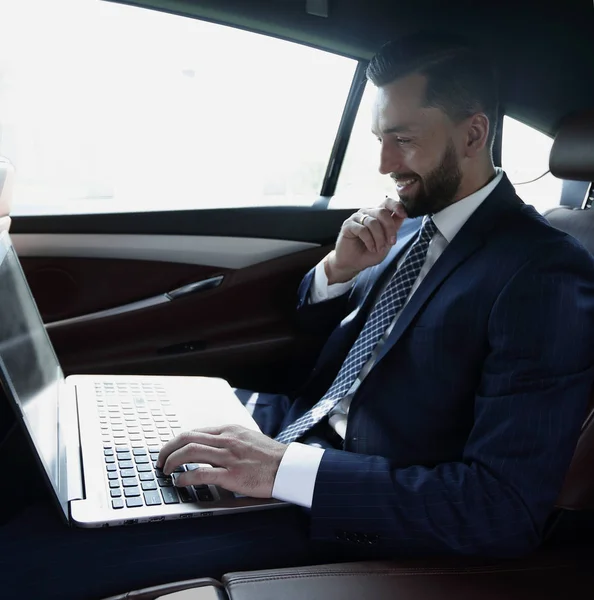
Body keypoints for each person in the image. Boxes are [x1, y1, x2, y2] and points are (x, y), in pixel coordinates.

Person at [2, 31, 594, 600]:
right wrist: (336, 272)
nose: (385, 161)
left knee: (26, 561)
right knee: (44, 443)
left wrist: (283, 469)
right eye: (379, 138)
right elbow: (344, 352)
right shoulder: (415, 222)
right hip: (291, 426)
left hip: (344, 495)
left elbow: (503, 509)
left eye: (403, 139)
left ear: (474, 134)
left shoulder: (542, 273)